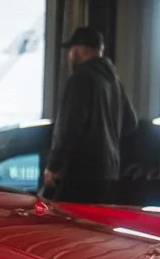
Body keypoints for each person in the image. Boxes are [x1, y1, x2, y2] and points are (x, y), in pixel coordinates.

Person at [44, 26, 135, 204]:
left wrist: (54, 166)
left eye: (72, 50)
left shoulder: (81, 78)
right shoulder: (113, 81)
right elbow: (130, 122)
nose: (70, 54)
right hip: (108, 175)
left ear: (80, 50)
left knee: (64, 225)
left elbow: (69, 127)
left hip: (80, 175)